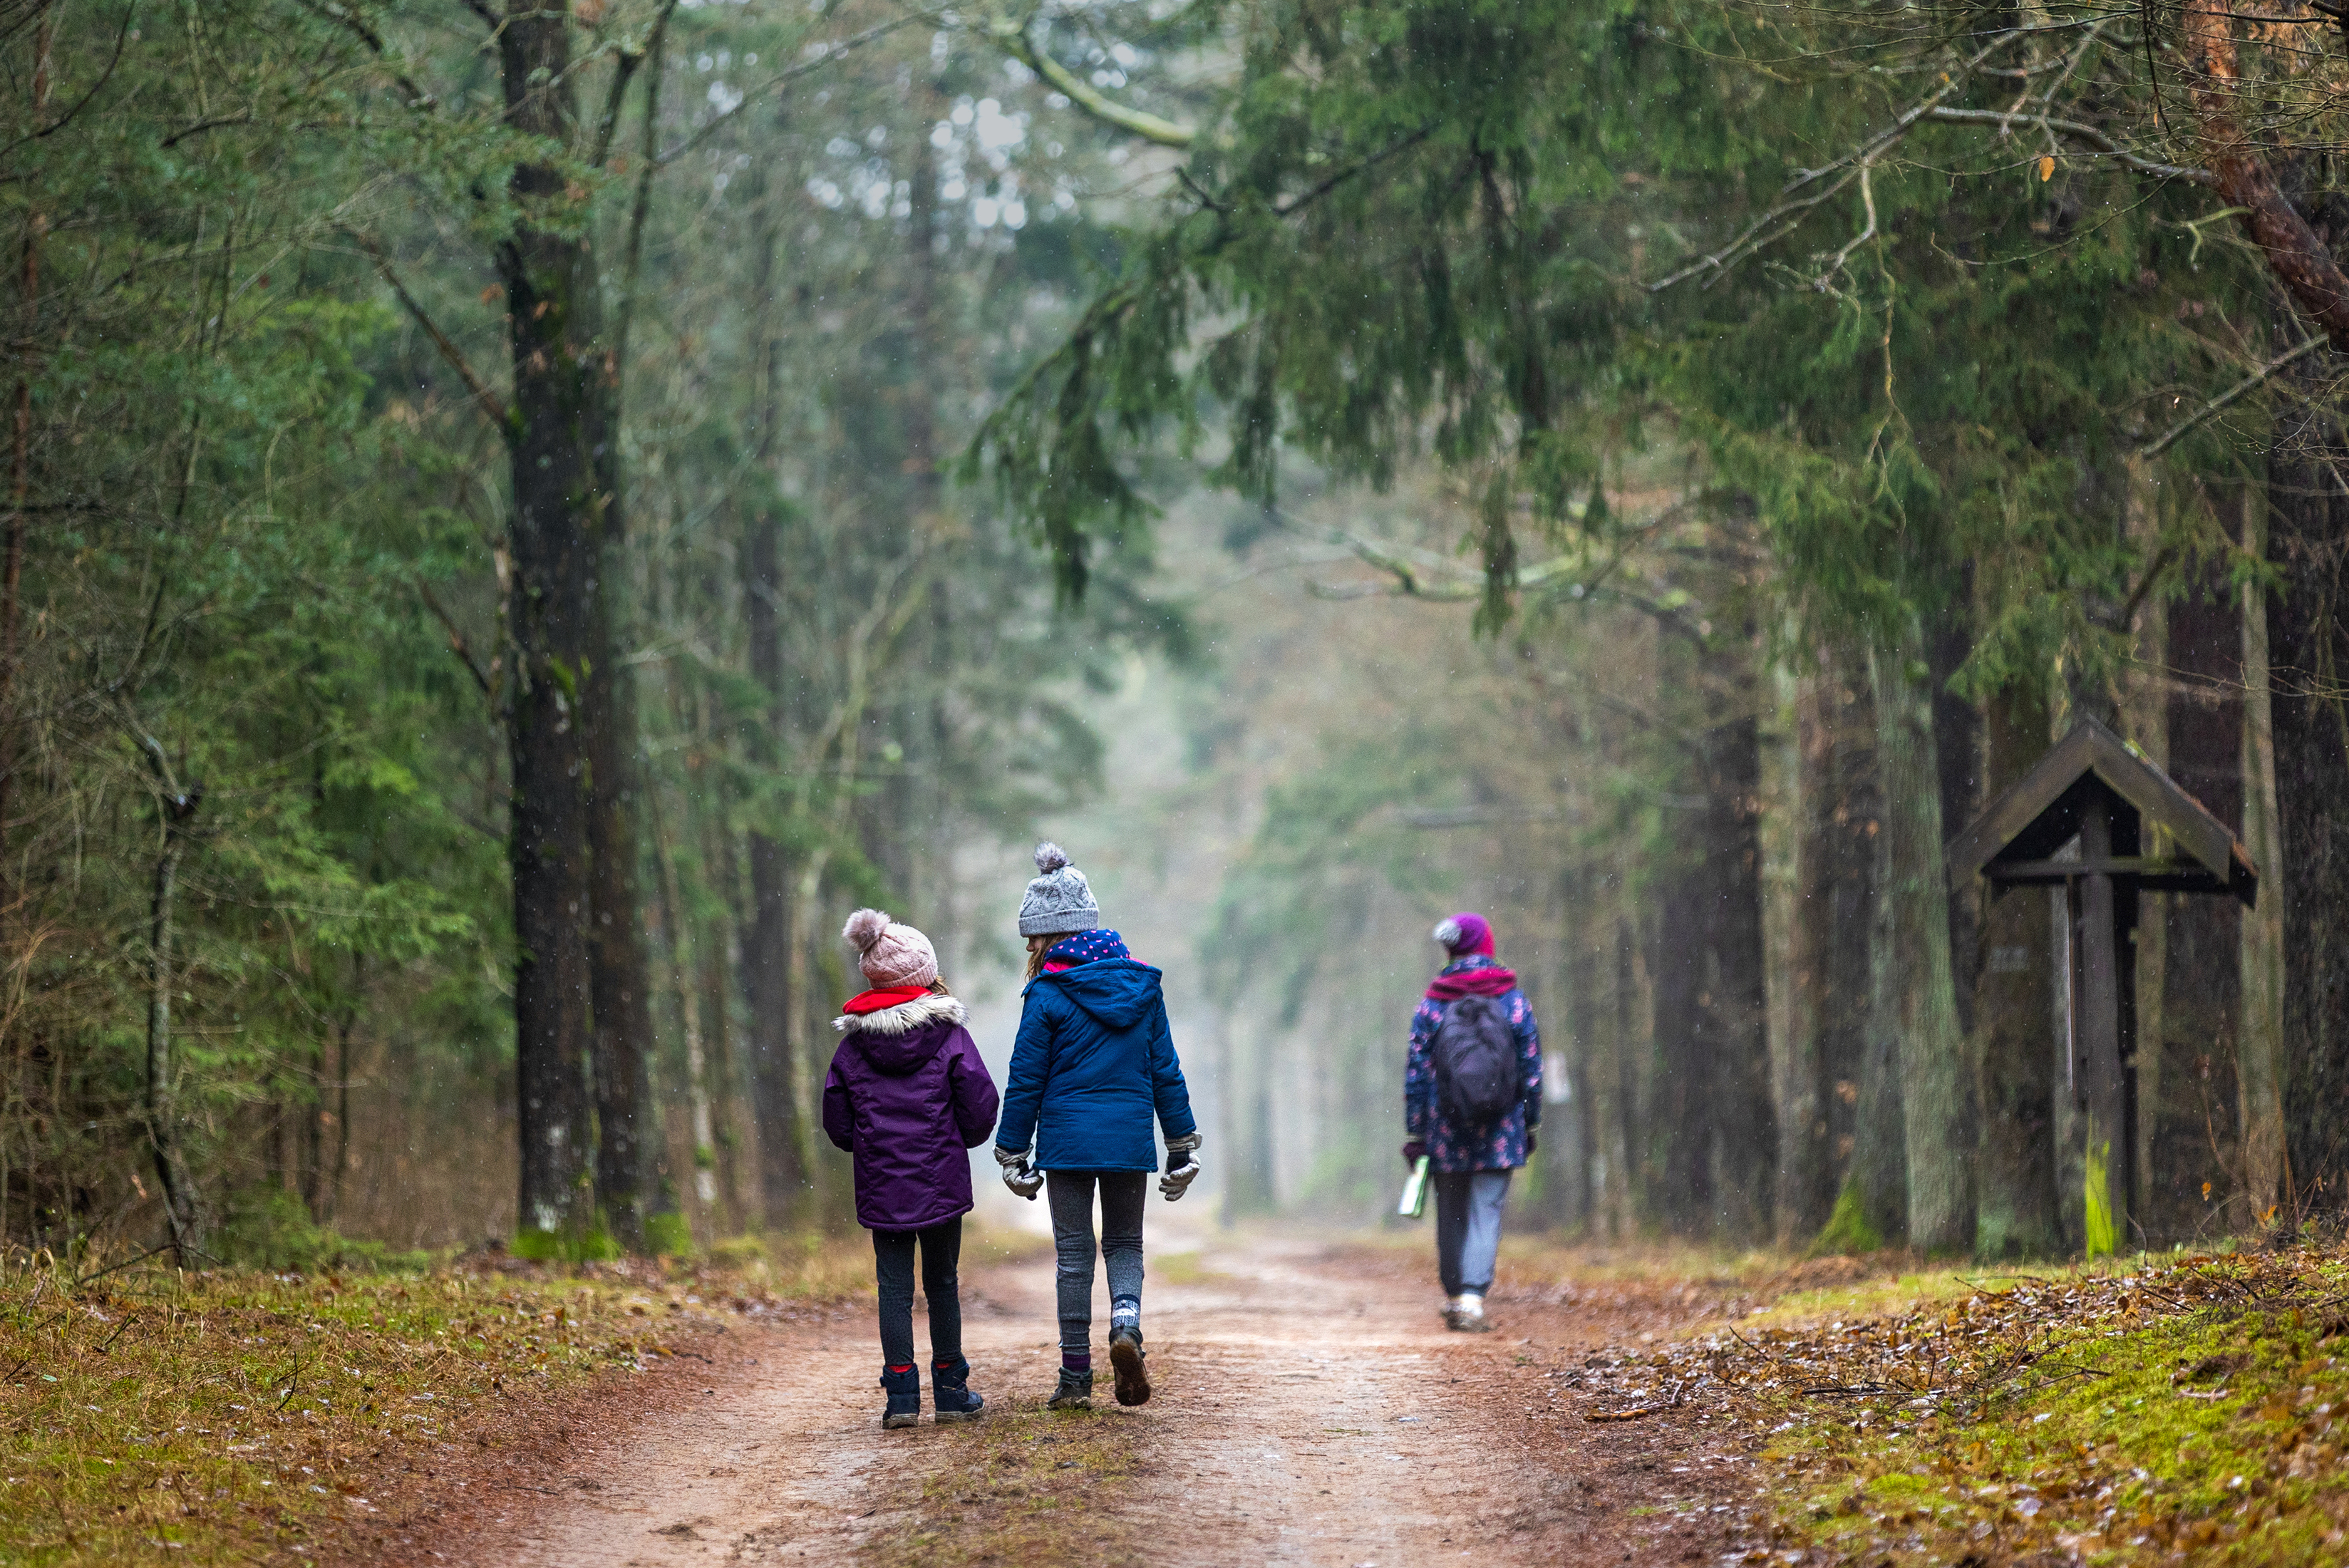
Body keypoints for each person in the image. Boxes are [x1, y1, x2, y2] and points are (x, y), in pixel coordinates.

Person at [993, 842, 1201, 1410]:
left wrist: (1011, 1149)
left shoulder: (1046, 994)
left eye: (1034, 939)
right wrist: (1181, 1143)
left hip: (1067, 1142)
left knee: (1073, 1254)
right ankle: (1127, 1327)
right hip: (1130, 1138)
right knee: (1126, 1242)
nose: (1031, 949)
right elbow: (1166, 1071)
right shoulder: (1141, 986)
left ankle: (1076, 1378)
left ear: (1052, 937)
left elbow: (1025, 1078)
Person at [822, 907, 1001, 1430]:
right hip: (940, 1181)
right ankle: (950, 1389)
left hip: (884, 1188)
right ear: (925, 975)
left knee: (894, 1288)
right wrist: (953, 1142)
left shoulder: (853, 1048)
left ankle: (901, 1394)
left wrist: (874, 1149)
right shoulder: (949, 1038)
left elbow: (837, 1122)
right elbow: (980, 1107)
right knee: (942, 1281)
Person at [1403, 912, 1542, 1333]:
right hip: (1502, 1128)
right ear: (1487, 945)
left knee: (1452, 1210)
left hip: (1445, 1129)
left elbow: (1416, 1073)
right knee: (1487, 1209)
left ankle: (1454, 1291)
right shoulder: (1512, 1000)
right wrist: (1529, 1122)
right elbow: (1530, 1069)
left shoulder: (1432, 1003)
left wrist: (1417, 1132)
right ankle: (1471, 1298)